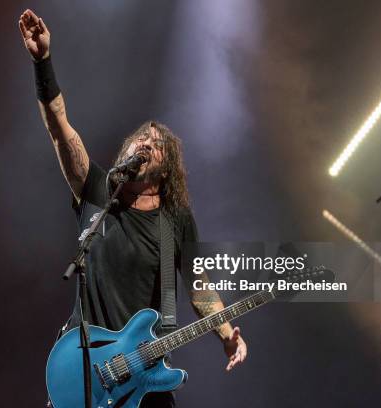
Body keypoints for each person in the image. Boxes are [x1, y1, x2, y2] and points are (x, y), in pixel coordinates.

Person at [18, 9, 247, 407]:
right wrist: (42, 61)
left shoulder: (175, 221)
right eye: (141, 136)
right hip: (84, 367)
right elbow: (58, 127)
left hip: (140, 374)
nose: (145, 141)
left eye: (156, 142)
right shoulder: (95, 193)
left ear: (167, 167)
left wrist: (227, 333)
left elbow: (199, 287)